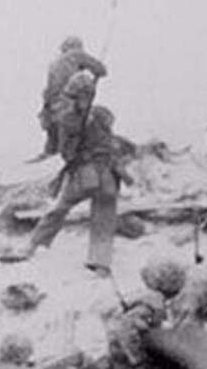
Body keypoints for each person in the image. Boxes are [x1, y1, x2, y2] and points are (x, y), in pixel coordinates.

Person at [12, 72, 130, 276]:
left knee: (59, 209)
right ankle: (101, 263)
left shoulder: (68, 120)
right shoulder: (100, 115)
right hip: (108, 175)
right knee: (104, 217)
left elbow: (67, 153)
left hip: (84, 175)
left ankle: (33, 245)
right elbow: (111, 142)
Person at [31, 36, 107, 162]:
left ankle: (48, 156)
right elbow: (101, 69)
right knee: (81, 129)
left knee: (53, 142)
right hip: (68, 103)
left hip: (50, 107)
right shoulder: (76, 54)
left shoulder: (54, 63)